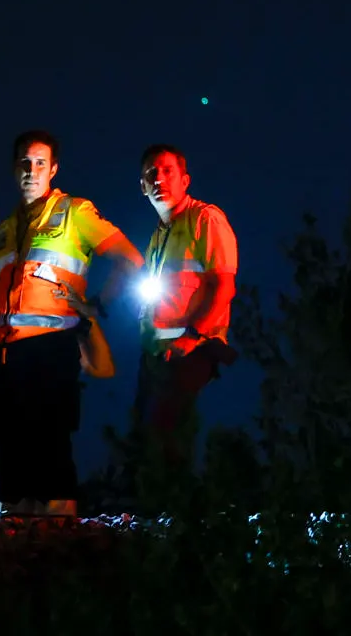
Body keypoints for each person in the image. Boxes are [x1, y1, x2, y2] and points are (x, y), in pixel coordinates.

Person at [0, 129, 141, 517]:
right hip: (3, 356)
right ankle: (14, 552)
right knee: (9, 453)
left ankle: (58, 552)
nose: (31, 171)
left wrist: (94, 306)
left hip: (51, 350)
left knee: (49, 450)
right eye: (24, 163)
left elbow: (130, 260)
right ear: (14, 168)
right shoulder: (4, 230)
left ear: (53, 170)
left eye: (40, 163)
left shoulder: (75, 212)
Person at [130, 144, 239, 473]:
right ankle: (157, 513)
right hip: (158, 353)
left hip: (193, 350)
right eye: (152, 173)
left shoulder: (206, 218)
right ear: (143, 186)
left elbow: (224, 287)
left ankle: (184, 514)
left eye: (168, 172)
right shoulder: (158, 236)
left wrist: (192, 338)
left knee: (170, 431)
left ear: (185, 180)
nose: (159, 179)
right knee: (147, 436)